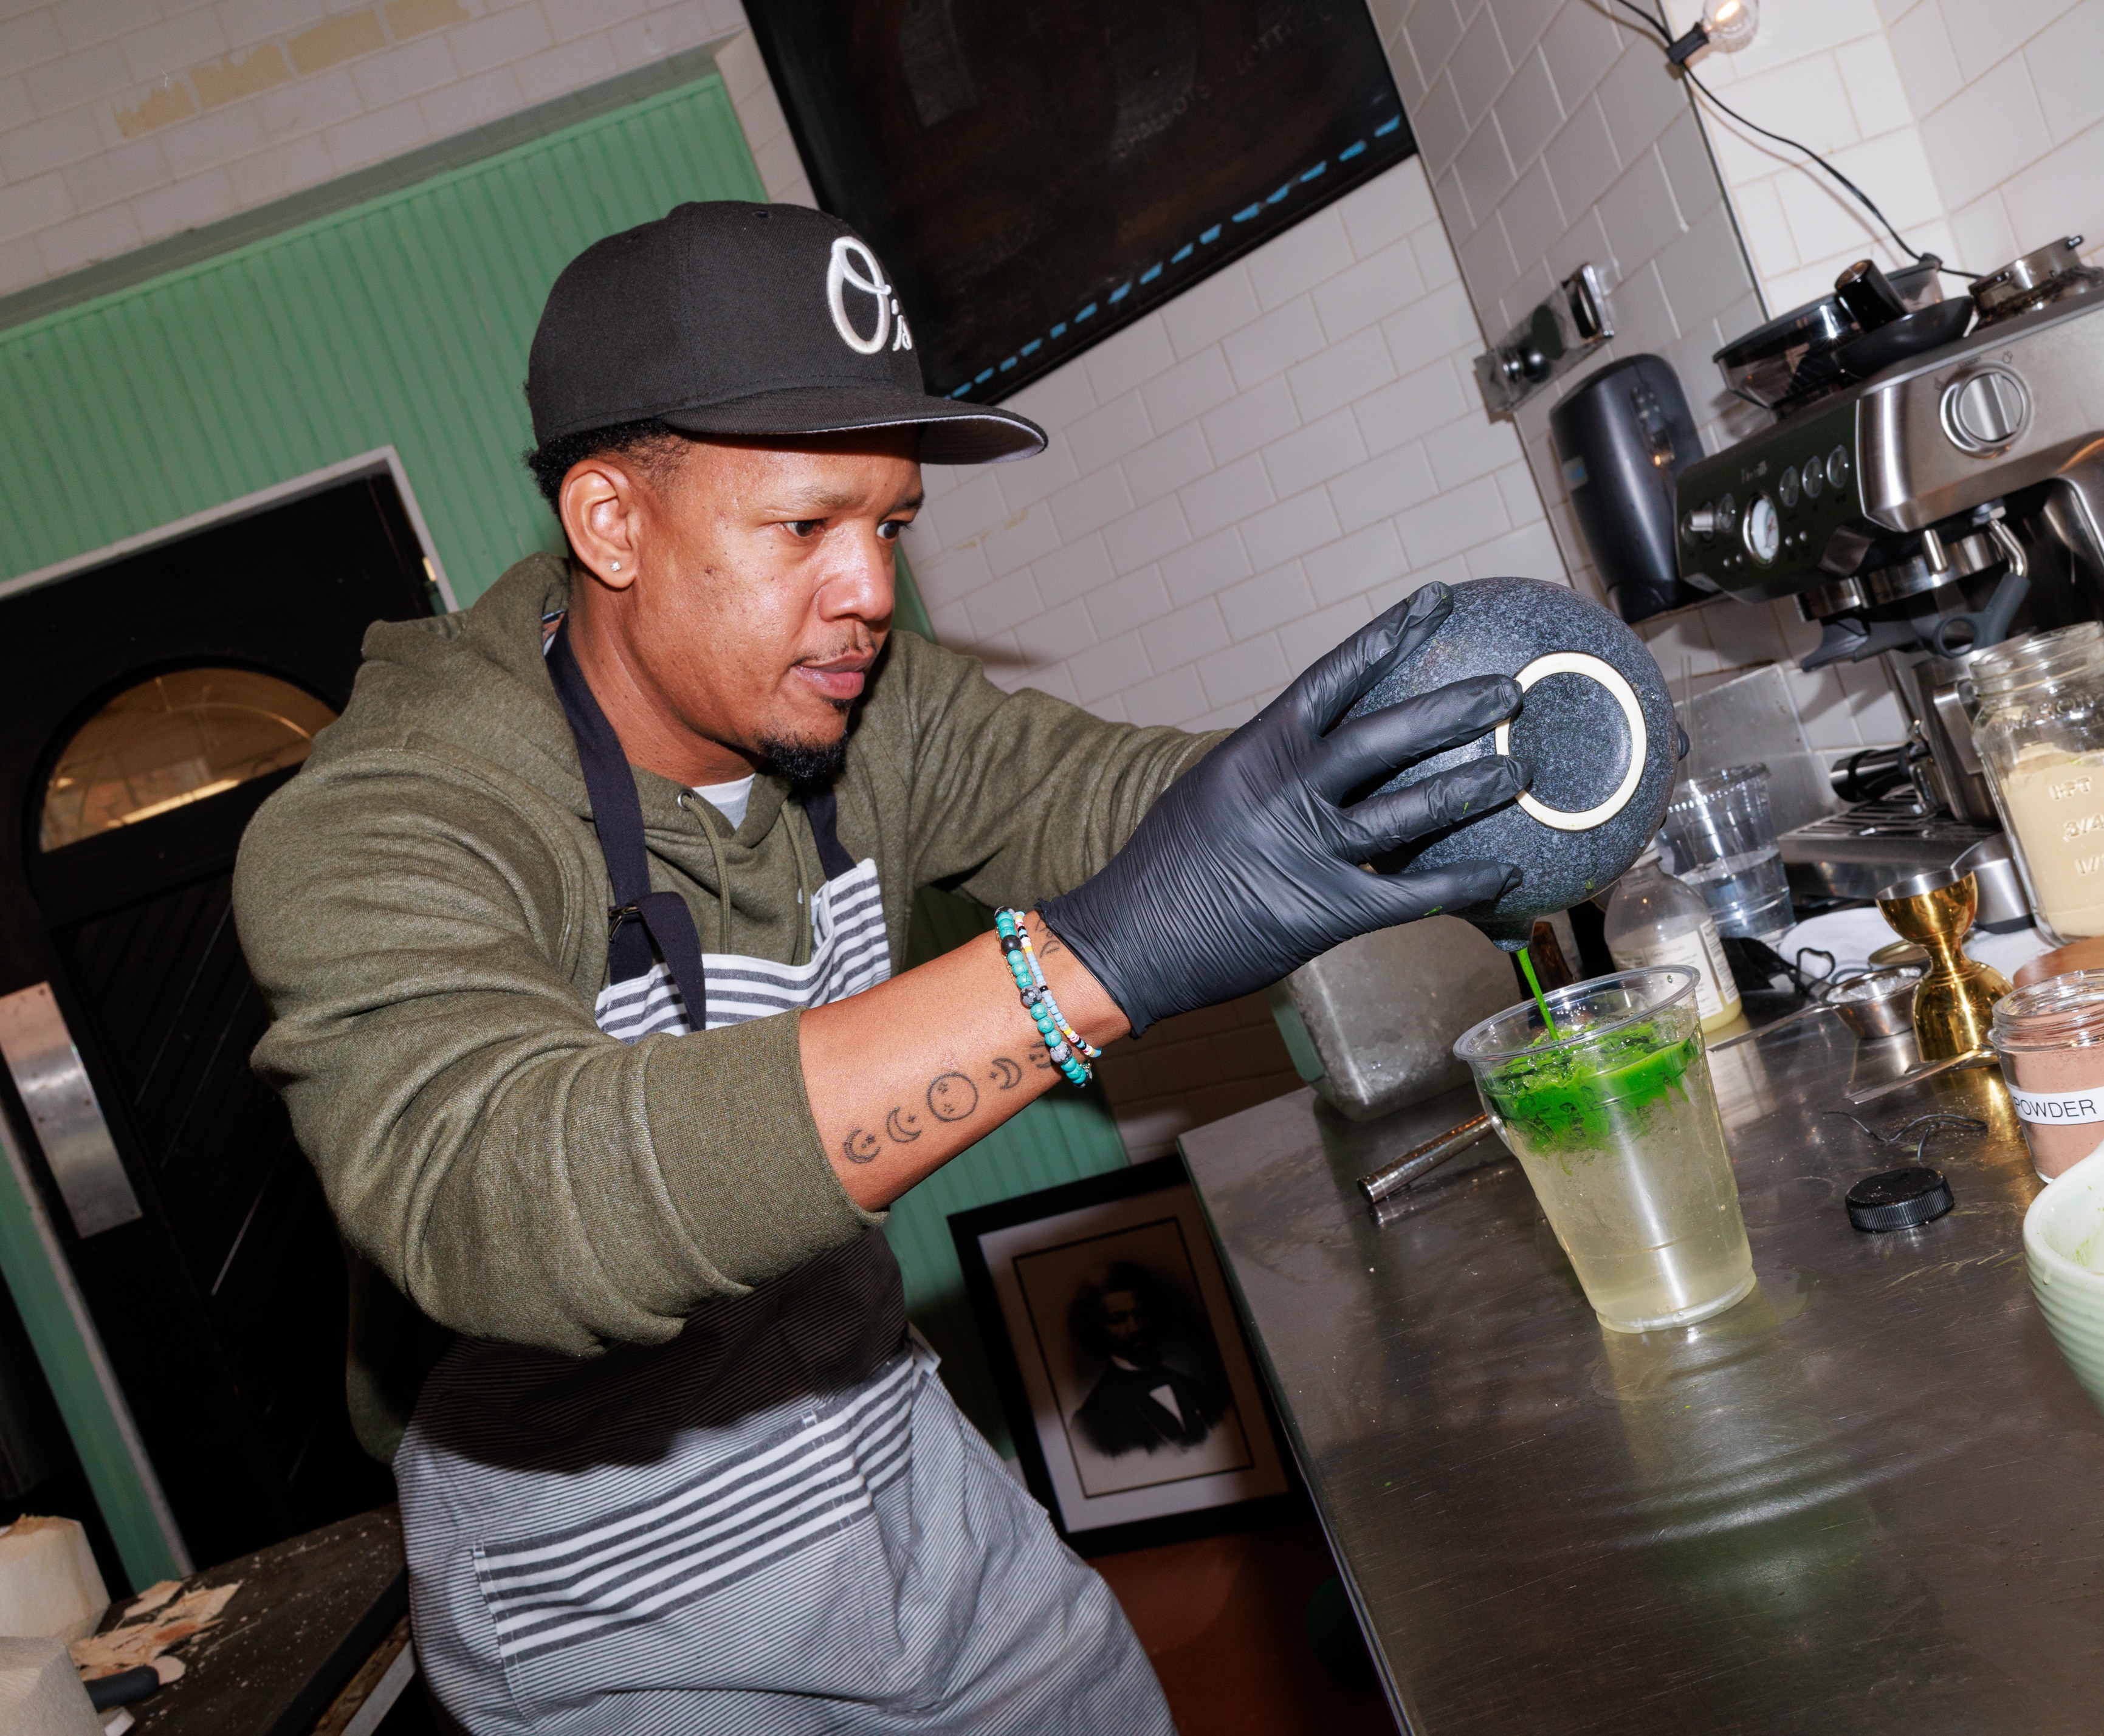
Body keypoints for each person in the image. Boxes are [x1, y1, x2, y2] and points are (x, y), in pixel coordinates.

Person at [235, 201, 1528, 1734]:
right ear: (611, 524)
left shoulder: (873, 706)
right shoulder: (392, 821)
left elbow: (1136, 814)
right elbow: (499, 1198)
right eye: (803, 526)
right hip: (609, 1604)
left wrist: (1426, 772)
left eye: (891, 526)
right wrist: (1086, 968)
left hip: (894, 1475)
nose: (868, 592)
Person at [1068, 1263, 1235, 1459]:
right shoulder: (1092, 1419)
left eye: (1139, 1314)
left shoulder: (1191, 1386)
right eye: (1118, 1319)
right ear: (1097, 1331)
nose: (1135, 1328)